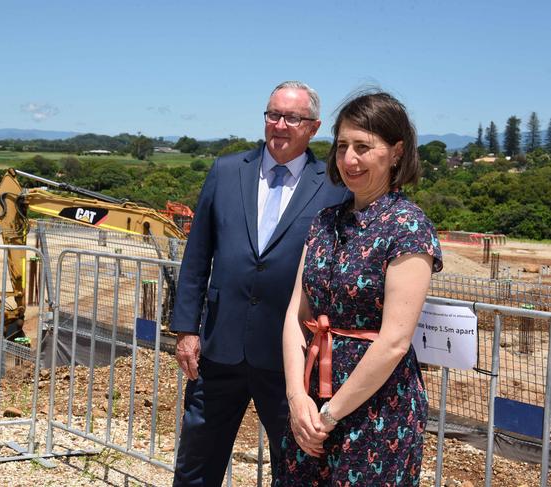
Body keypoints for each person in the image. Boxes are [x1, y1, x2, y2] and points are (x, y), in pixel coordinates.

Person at [171, 81, 350, 486]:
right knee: (197, 461)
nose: (280, 125)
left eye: (293, 118)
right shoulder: (227, 170)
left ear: (314, 127)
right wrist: (185, 329)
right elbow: (197, 255)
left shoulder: (334, 187)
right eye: (273, 115)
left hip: (292, 358)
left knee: (294, 468)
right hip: (219, 348)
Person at [277, 92, 443, 485]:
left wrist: (331, 413)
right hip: (310, 405)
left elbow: (394, 342)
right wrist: (297, 399)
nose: (349, 159)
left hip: (375, 413)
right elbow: (296, 316)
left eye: (363, 147)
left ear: (397, 152)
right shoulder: (324, 221)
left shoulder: (408, 227)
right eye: (342, 146)